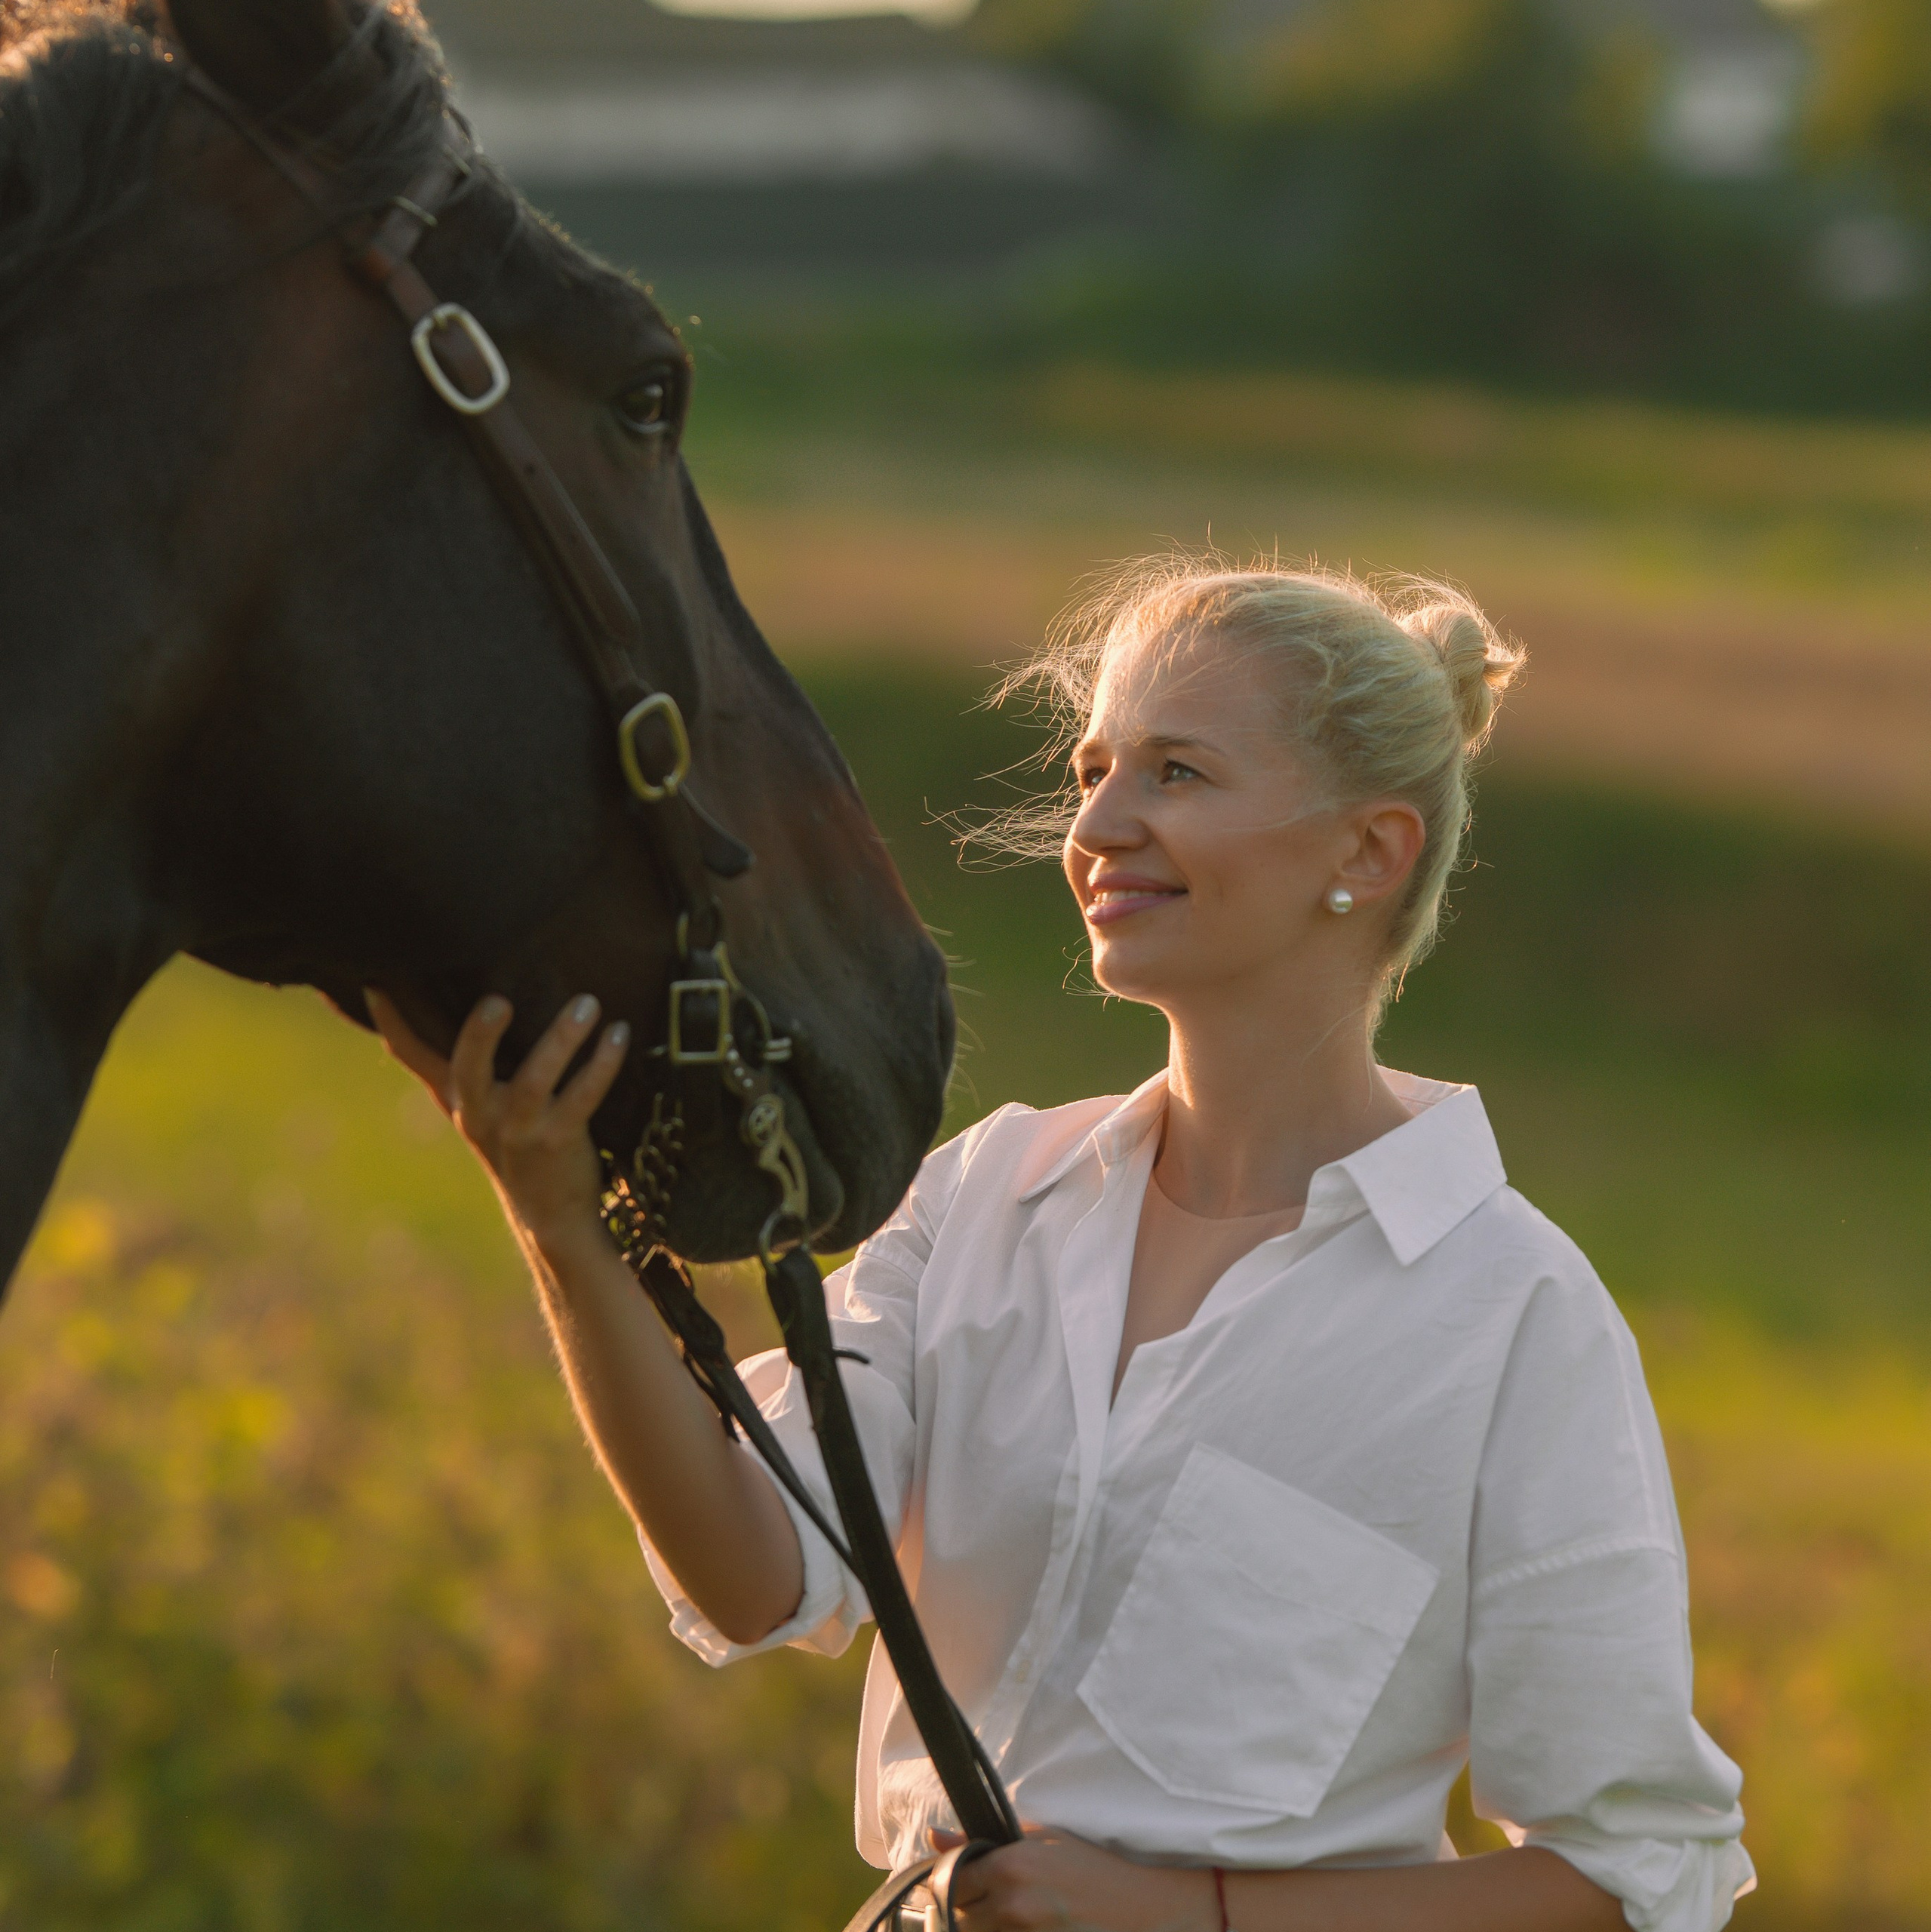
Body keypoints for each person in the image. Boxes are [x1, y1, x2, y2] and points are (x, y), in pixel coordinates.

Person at [372, 561, 1754, 1932]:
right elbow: (756, 1576)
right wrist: (561, 1227)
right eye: (1095, 768)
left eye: (1176, 773)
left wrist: (1197, 1916)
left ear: (1368, 850)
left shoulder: (1512, 1318)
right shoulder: (983, 1198)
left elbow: (1634, 1874)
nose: (1095, 822)